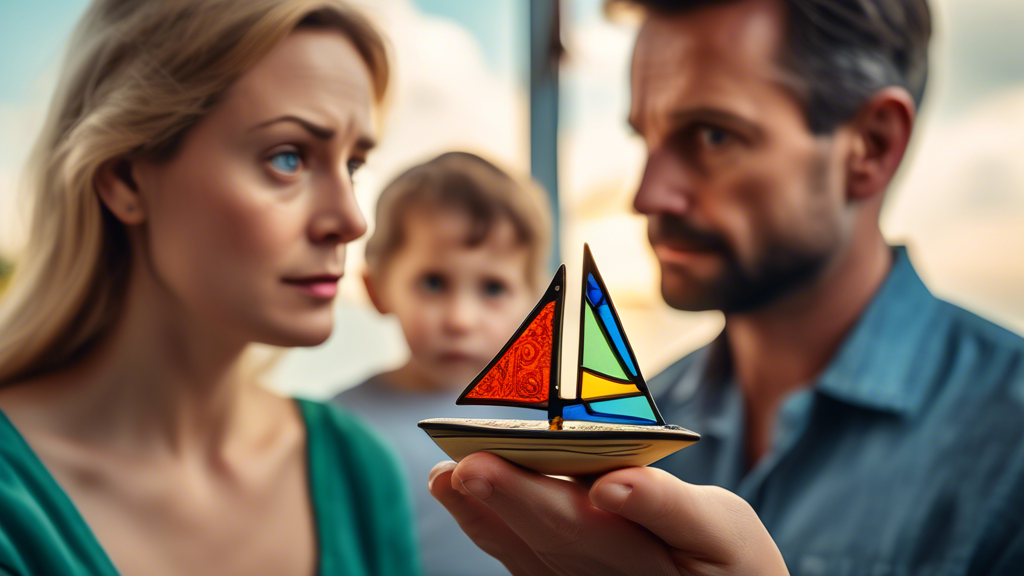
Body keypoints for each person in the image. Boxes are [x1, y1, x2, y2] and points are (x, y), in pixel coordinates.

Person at [432, 0, 1024, 574]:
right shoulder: (637, 420)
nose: (647, 195)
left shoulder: (1009, 442)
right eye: (647, 139)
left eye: (713, 137)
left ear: (869, 145)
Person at [0, 1, 420, 574]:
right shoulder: (15, 503)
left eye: (352, 164)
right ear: (125, 177)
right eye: (289, 158)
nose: (351, 220)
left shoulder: (357, 471)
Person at [335, 151, 552, 576]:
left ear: (533, 302)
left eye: (493, 287)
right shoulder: (338, 427)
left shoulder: (556, 426)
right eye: (433, 283)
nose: (460, 319)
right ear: (376, 288)